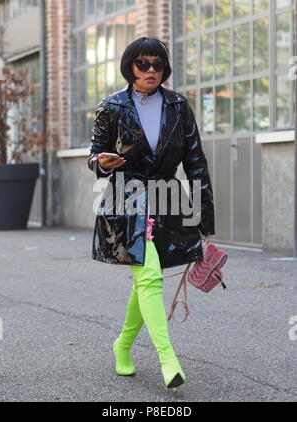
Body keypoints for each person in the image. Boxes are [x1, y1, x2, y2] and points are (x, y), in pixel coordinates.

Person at [87, 37, 215, 391]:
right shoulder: (111, 106)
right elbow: (95, 154)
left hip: (167, 199)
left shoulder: (178, 105)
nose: (151, 71)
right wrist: (102, 162)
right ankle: (166, 358)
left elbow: (196, 164)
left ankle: (123, 345)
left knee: (146, 279)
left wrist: (204, 218)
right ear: (129, 66)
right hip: (126, 199)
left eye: (158, 64)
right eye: (143, 64)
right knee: (149, 276)